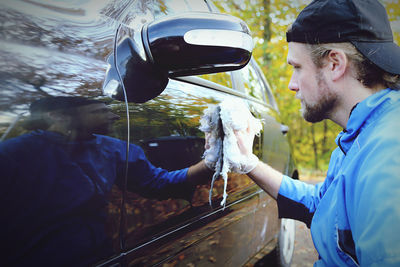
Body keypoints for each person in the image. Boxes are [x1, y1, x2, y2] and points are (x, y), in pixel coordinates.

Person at [234, 0, 400, 265]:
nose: (291, 84)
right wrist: (247, 161)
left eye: (297, 68)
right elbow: (321, 206)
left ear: (335, 63)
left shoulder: (388, 158)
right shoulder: (361, 134)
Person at [0, 96, 212, 266]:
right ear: (59, 116)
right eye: (99, 111)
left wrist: (210, 163)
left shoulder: (116, 149)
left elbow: (159, 183)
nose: (114, 116)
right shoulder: (14, 153)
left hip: (101, 255)